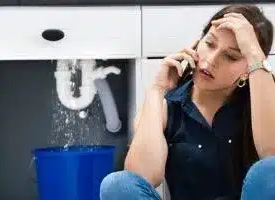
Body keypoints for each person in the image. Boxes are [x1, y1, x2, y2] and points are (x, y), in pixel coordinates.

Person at [100, 4, 275, 200]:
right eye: (209, 44)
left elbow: (271, 158)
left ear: (249, 66)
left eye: (230, 56)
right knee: (117, 185)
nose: (210, 61)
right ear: (197, 42)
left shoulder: (262, 98)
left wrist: (254, 54)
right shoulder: (168, 105)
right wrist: (157, 90)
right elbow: (140, 177)